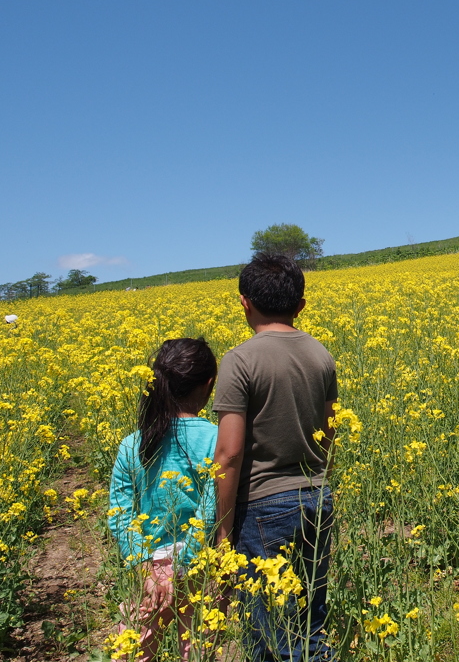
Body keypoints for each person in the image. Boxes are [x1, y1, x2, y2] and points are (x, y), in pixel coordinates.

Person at [213, 253, 338, 662]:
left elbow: (229, 454)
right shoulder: (321, 355)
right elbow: (328, 433)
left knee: (272, 630)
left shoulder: (239, 360)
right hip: (317, 499)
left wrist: (222, 533)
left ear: (244, 302)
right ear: (301, 305)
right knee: (310, 621)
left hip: (264, 508)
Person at [108, 338, 219, 662]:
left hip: (150, 568)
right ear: (208, 384)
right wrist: (185, 567)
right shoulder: (216, 439)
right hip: (202, 565)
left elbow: (120, 512)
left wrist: (145, 568)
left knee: (131, 651)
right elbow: (211, 509)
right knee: (198, 652)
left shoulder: (133, 444)